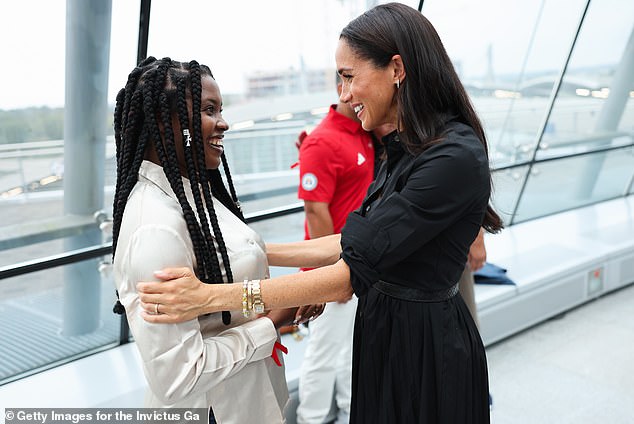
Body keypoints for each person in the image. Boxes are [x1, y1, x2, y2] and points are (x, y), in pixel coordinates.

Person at [137, 4, 503, 423]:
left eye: (349, 77)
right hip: (386, 329)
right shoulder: (402, 147)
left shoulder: (451, 155)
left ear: (396, 68)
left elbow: (349, 269)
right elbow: (350, 242)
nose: (344, 94)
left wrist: (209, 295)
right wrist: (242, 250)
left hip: (425, 344)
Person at [111, 57, 316, 423]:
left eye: (219, 109)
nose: (223, 123)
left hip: (250, 401)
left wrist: (290, 297)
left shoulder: (194, 193)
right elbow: (178, 375)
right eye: (208, 110)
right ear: (162, 120)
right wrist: (271, 321)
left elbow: (230, 266)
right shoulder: (155, 227)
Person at [295, 75, 375, 424]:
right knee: (323, 353)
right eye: (347, 81)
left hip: (361, 263)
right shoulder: (321, 142)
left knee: (351, 349)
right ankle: (311, 419)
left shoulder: (366, 133)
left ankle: (348, 412)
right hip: (335, 267)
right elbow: (315, 211)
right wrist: (333, 273)